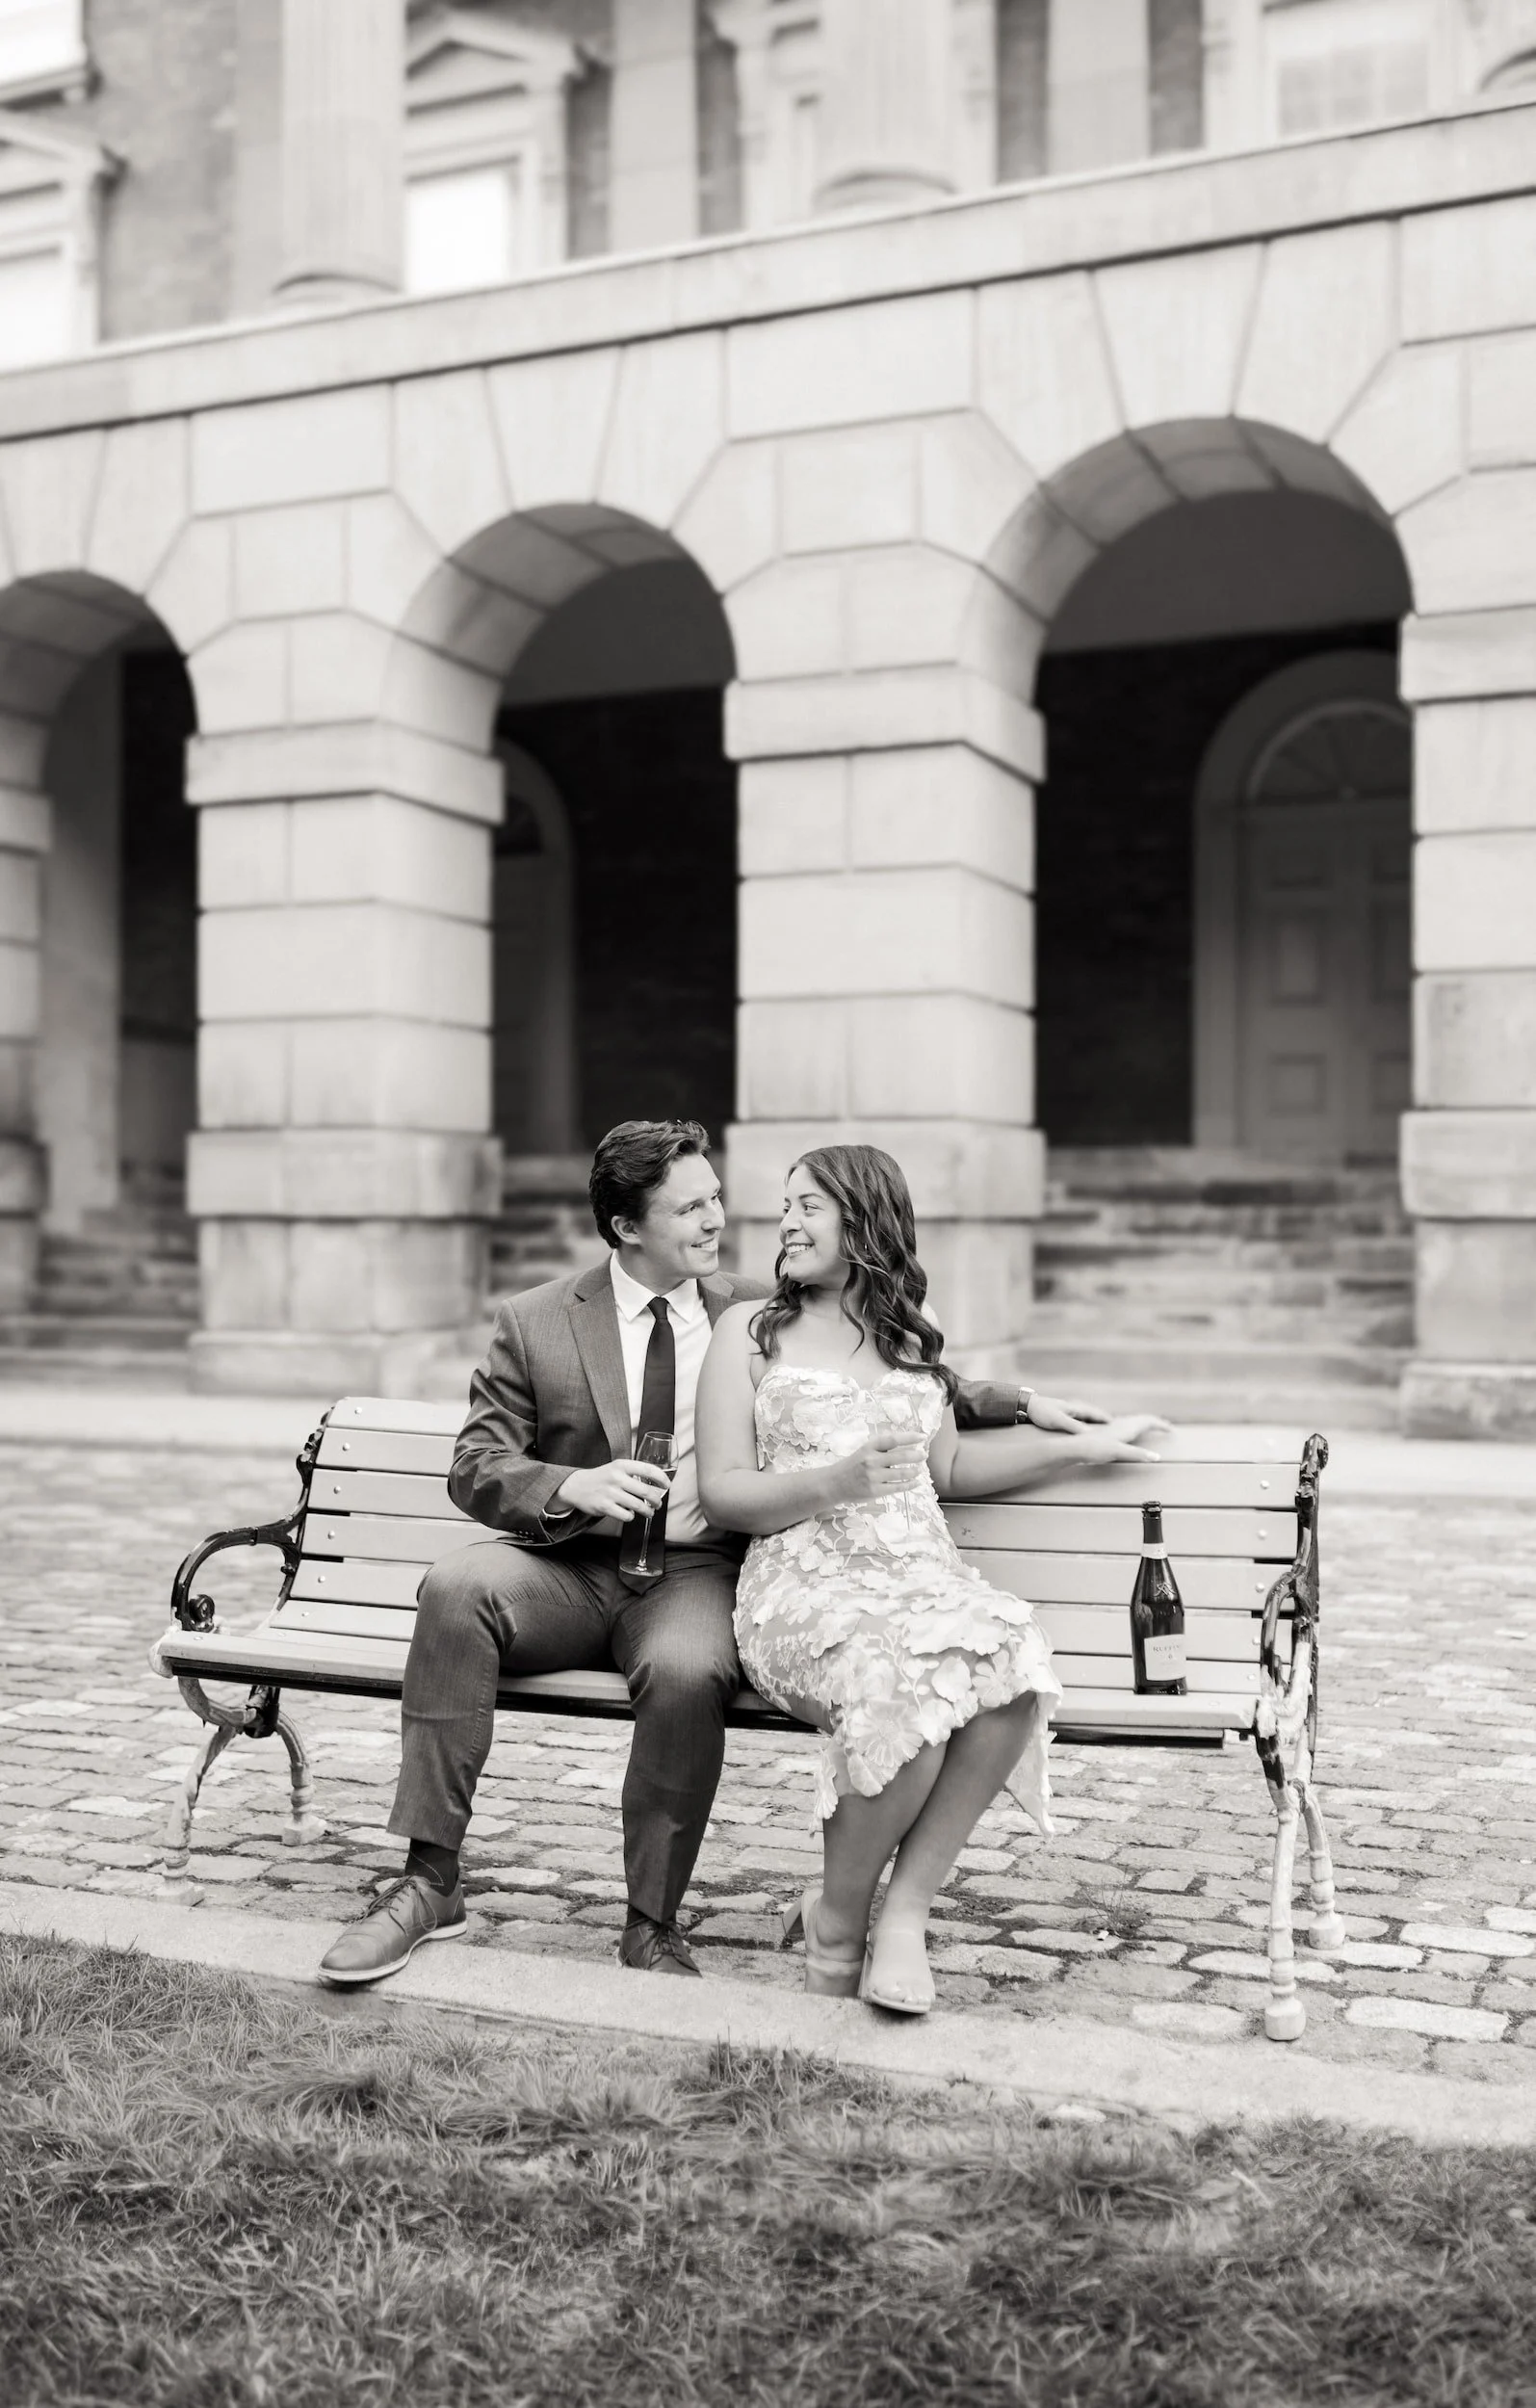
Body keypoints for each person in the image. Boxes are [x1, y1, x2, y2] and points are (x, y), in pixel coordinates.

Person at [319, 1118, 1097, 1989]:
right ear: (626, 1228)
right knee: (457, 1587)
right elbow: (475, 1464)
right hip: (569, 1568)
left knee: (689, 1670)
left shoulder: (752, 1310)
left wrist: (1023, 1402)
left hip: (690, 1575)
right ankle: (428, 1883)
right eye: (689, 1208)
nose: (716, 1221)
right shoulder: (536, 1321)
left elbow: (887, 1367)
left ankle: (651, 1923)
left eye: (717, 1199)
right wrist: (568, 1486)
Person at [696, 1144, 1166, 2016]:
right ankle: (838, 1926)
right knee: (898, 1681)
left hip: (918, 1574)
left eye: (808, 1206)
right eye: (785, 1205)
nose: (786, 1223)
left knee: (1011, 1659)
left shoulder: (913, 1330)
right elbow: (722, 1492)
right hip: (802, 1585)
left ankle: (905, 1910)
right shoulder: (749, 1331)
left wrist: (1081, 1448)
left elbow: (945, 1467)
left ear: (864, 1218)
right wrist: (833, 1483)